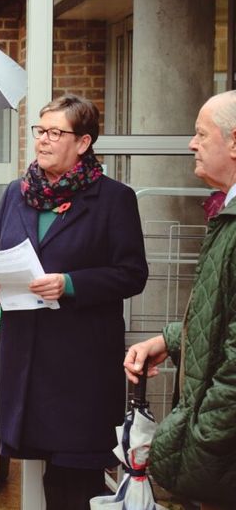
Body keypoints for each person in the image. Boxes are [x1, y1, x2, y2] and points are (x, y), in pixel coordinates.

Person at [0, 94, 148, 510]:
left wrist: (69, 284)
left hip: (79, 367)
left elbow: (132, 274)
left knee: (76, 483)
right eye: (41, 131)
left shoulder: (114, 199)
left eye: (56, 132)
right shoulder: (16, 194)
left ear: (83, 142)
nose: (43, 141)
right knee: (36, 469)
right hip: (26, 359)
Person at [123, 91, 236, 509]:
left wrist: (199, 441)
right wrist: (170, 340)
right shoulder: (229, 213)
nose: (192, 143)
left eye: (201, 134)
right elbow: (221, 309)